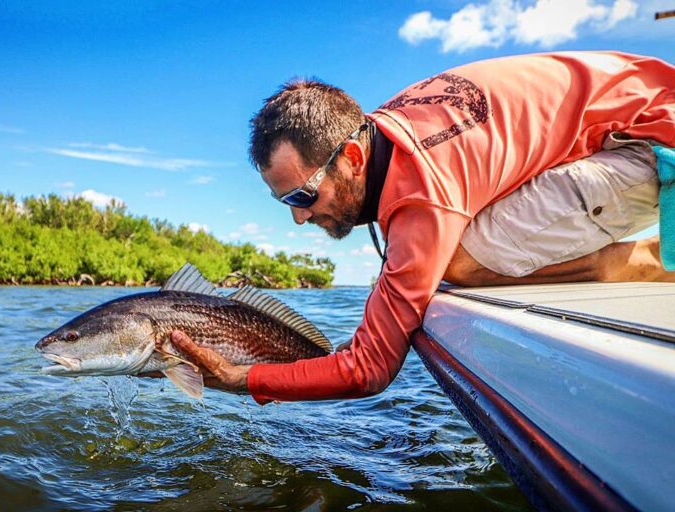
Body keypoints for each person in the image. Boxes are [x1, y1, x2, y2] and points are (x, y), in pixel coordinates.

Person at [168, 51, 675, 403]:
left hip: (650, 142)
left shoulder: (421, 190)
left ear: (350, 156)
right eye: (285, 202)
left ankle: (657, 262)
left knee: (455, 261)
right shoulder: (389, 127)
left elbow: (368, 371)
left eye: (303, 195)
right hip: (636, 114)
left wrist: (241, 377)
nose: (299, 217)